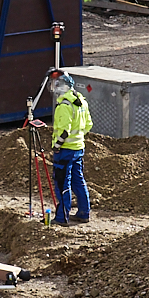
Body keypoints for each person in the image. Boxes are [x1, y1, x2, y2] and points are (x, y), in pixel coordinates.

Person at [49, 70, 92, 225]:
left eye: (56, 84)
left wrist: (57, 146)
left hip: (65, 150)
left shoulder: (64, 106)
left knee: (62, 183)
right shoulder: (81, 102)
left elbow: (64, 130)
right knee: (78, 181)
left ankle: (62, 217)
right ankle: (83, 213)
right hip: (78, 148)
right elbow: (88, 125)